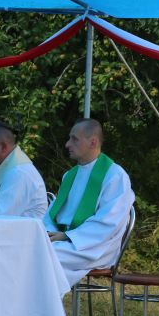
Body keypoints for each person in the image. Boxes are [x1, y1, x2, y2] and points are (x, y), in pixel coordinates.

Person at [44, 118, 135, 286]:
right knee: (31, 252)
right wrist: (48, 233)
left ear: (93, 142)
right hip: (67, 243)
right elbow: (53, 215)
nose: (67, 144)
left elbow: (109, 222)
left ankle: (42, 311)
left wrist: (67, 236)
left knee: (41, 257)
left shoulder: (114, 175)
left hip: (96, 248)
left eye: (74, 139)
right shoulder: (70, 175)